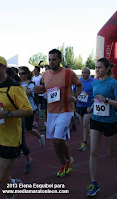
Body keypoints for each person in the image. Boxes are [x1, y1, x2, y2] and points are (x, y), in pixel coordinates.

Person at [0, 55, 33, 199]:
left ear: (3, 68)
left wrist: (8, 114)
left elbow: (28, 110)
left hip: (10, 139)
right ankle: (12, 183)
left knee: (3, 174)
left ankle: (10, 196)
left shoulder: (15, 88)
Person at [33, 49, 83, 178]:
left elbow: (79, 85)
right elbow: (44, 88)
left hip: (66, 110)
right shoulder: (45, 74)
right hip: (51, 111)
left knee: (58, 139)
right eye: (49, 59)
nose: (51, 62)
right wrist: (38, 90)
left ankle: (68, 159)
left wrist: (76, 96)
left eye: (54, 59)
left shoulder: (68, 73)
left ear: (60, 60)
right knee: (55, 142)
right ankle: (63, 163)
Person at [86, 58, 117, 197]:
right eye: (96, 67)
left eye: (100, 68)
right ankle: (93, 182)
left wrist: (107, 100)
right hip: (96, 120)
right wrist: (93, 106)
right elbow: (98, 100)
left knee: (112, 151)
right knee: (93, 152)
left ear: (107, 68)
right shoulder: (95, 82)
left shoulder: (113, 83)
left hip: (110, 121)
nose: (97, 70)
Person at [19, 66, 45, 147]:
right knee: (20, 128)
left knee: (28, 128)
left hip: (30, 108)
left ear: (27, 74)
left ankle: (40, 137)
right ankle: (22, 146)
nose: (21, 75)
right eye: (20, 73)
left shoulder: (30, 84)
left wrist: (25, 86)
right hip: (20, 108)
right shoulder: (18, 84)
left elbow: (25, 93)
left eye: (23, 73)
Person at [74, 67, 93, 152]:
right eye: (82, 72)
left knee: (85, 123)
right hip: (80, 105)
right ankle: (88, 132)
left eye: (85, 72)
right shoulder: (79, 81)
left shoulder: (93, 82)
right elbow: (74, 91)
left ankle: (84, 142)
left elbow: (96, 92)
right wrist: (75, 97)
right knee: (83, 125)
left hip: (89, 106)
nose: (83, 74)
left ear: (89, 73)